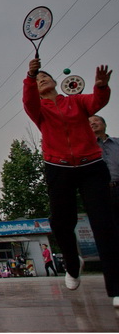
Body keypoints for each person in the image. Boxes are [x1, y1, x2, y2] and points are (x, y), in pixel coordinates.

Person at [23, 59, 119, 308]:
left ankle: (116, 288)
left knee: (104, 225)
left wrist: (101, 86)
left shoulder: (76, 102)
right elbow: (28, 101)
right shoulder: (39, 109)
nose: (42, 80)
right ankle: (73, 265)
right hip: (59, 168)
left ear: (56, 82)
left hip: (92, 166)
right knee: (61, 222)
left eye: (45, 77)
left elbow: (97, 102)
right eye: (38, 79)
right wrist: (30, 76)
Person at [89, 115, 119, 225]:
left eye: (96, 120)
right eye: (89, 122)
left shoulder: (117, 143)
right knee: (107, 224)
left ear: (104, 124)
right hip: (100, 191)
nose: (93, 123)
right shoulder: (86, 146)